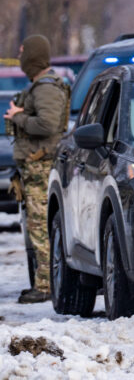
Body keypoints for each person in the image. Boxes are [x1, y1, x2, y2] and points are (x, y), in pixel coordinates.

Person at [5, 35, 69, 304]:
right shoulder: (40, 86)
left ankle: (45, 286)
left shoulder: (45, 88)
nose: (20, 57)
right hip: (35, 166)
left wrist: (16, 117)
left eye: (23, 52)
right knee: (36, 227)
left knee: (41, 227)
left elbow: (47, 125)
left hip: (41, 168)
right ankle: (44, 282)